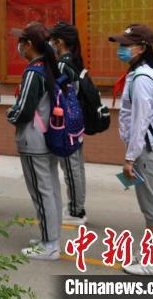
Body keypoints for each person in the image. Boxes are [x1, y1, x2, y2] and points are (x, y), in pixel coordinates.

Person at [109, 24, 153, 276]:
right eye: (121, 44)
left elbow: (140, 121)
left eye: (127, 45)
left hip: (144, 150)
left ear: (142, 48)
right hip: (145, 148)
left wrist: (130, 158)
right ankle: (150, 255)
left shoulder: (142, 79)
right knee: (150, 205)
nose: (121, 49)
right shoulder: (145, 75)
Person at [7, 22, 62, 260]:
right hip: (49, 136)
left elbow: (23, 111)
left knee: (41, 193)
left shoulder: (33, 72)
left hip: (33, 140)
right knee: (50, 190)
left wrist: (10, 115)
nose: (19, 46)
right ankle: (50, 237)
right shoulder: (49, 67)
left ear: (28, 44)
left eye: (21, 42)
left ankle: (49, 245)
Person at [49, 21, 88, 225]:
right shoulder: (75, 61)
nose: (51, 45)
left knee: (71, 168)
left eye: (53, 41)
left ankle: (76, 211)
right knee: (77, 167)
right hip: (78, 121)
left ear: (60, 42)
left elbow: (61, 96)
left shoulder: (62, 65)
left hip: (68, 123)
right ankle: (77, 205)